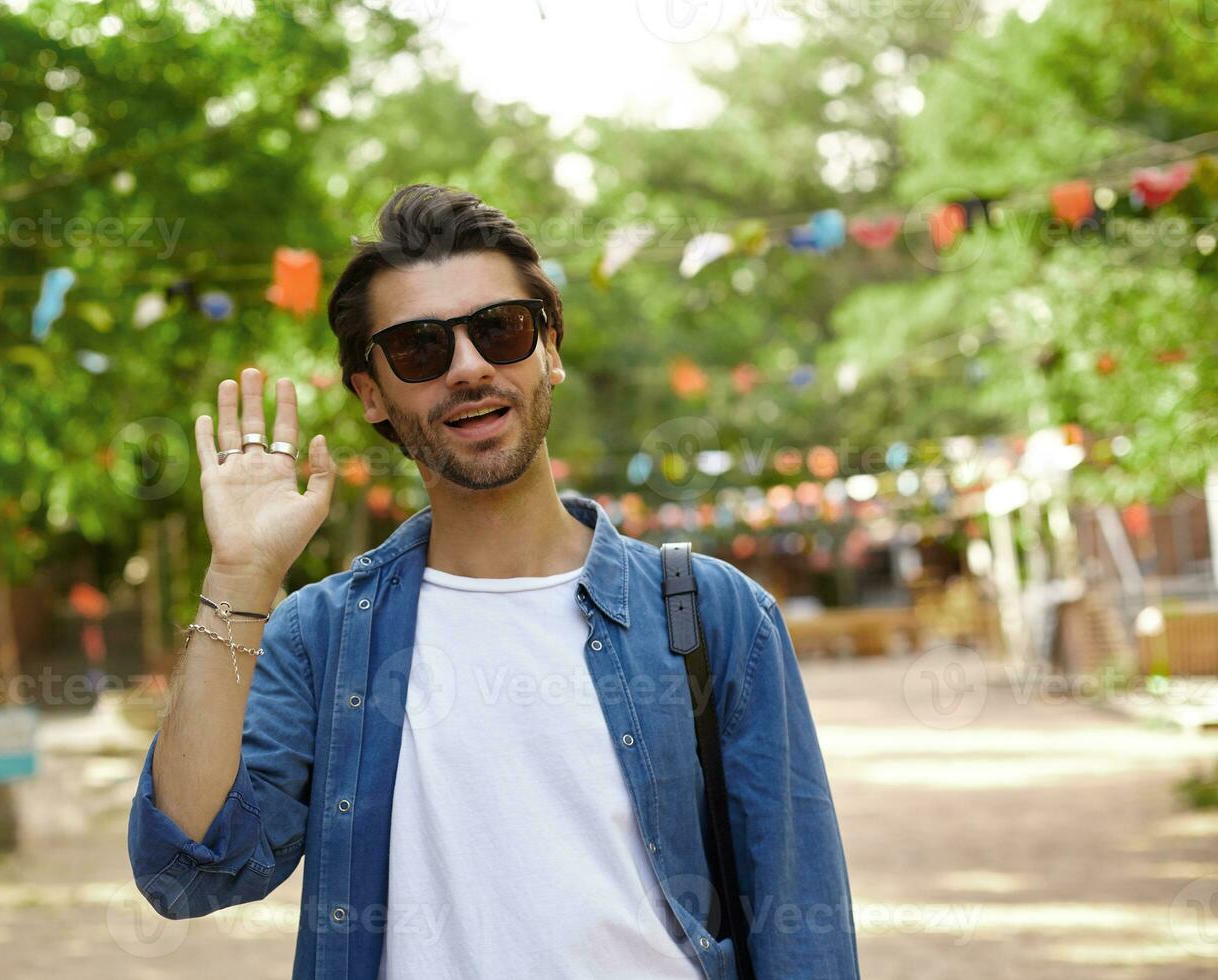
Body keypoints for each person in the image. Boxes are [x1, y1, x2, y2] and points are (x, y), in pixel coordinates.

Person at [127, 184, 859, 979]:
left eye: (500, 330)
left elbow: (802, 928)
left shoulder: (714, 614)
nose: (470, 368)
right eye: (418, 349)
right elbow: (189, 870)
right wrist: (239, 575)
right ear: (372, 393)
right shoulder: (324, 635)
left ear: (551, 348)